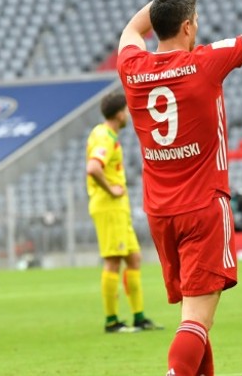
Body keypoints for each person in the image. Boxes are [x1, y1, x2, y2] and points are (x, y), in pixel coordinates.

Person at [116, 0, 242, 374]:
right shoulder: (204, 63)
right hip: (204, 207)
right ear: (189, 26)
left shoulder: (133, 67)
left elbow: (131, 30)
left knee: (194, 316)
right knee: (196, 320)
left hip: (160, 212)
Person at [86, 90, 162, 333]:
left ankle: (139, 317)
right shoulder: (105, 137)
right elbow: (93, 167)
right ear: (120, 114)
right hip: (109, 206)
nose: (129, 115)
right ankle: (112, 321)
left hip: (118, 208)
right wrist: (111, 189)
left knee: (134, 258)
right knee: (113, 261)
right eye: (127, 111)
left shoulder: (103, 133)